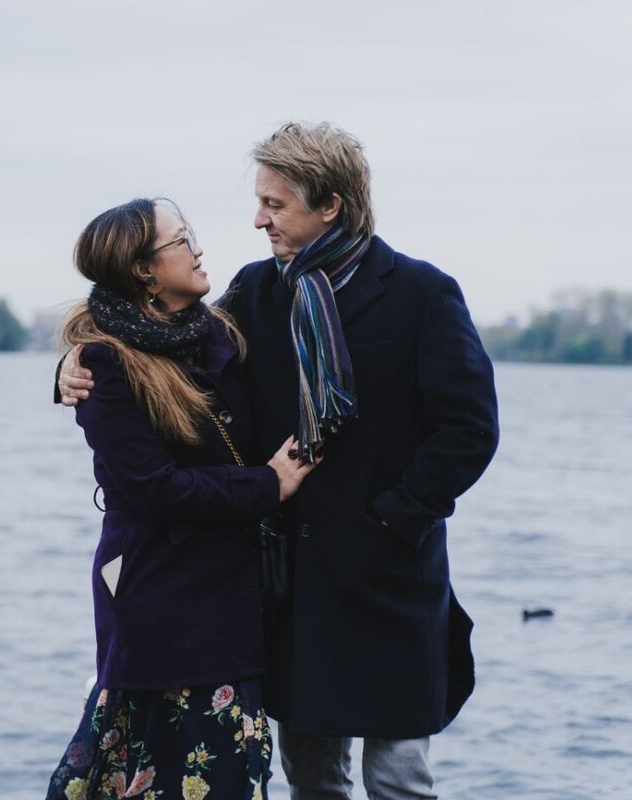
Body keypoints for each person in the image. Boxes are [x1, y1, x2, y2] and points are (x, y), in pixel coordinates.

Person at [60, 123, 500, 800]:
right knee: (313, 779)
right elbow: (158, 349)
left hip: (394, 578)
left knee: (399, 780)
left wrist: (395, 518)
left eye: (275, 204)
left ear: (330, 206)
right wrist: (73, 363)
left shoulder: (422, 294)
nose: (258, 219)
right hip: (293, 586)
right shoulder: (254, 293)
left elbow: (469, 431)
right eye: (260, 202)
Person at [47, 197, 319, 800]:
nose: (198, 249)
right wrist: (268, 484)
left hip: (231, 594)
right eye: (182, 240)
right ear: (144, 270)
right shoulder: (106, 364)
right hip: (159, 594)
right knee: (153, 771)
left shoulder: (218, 330)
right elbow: (154, 487)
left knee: (231, 772)